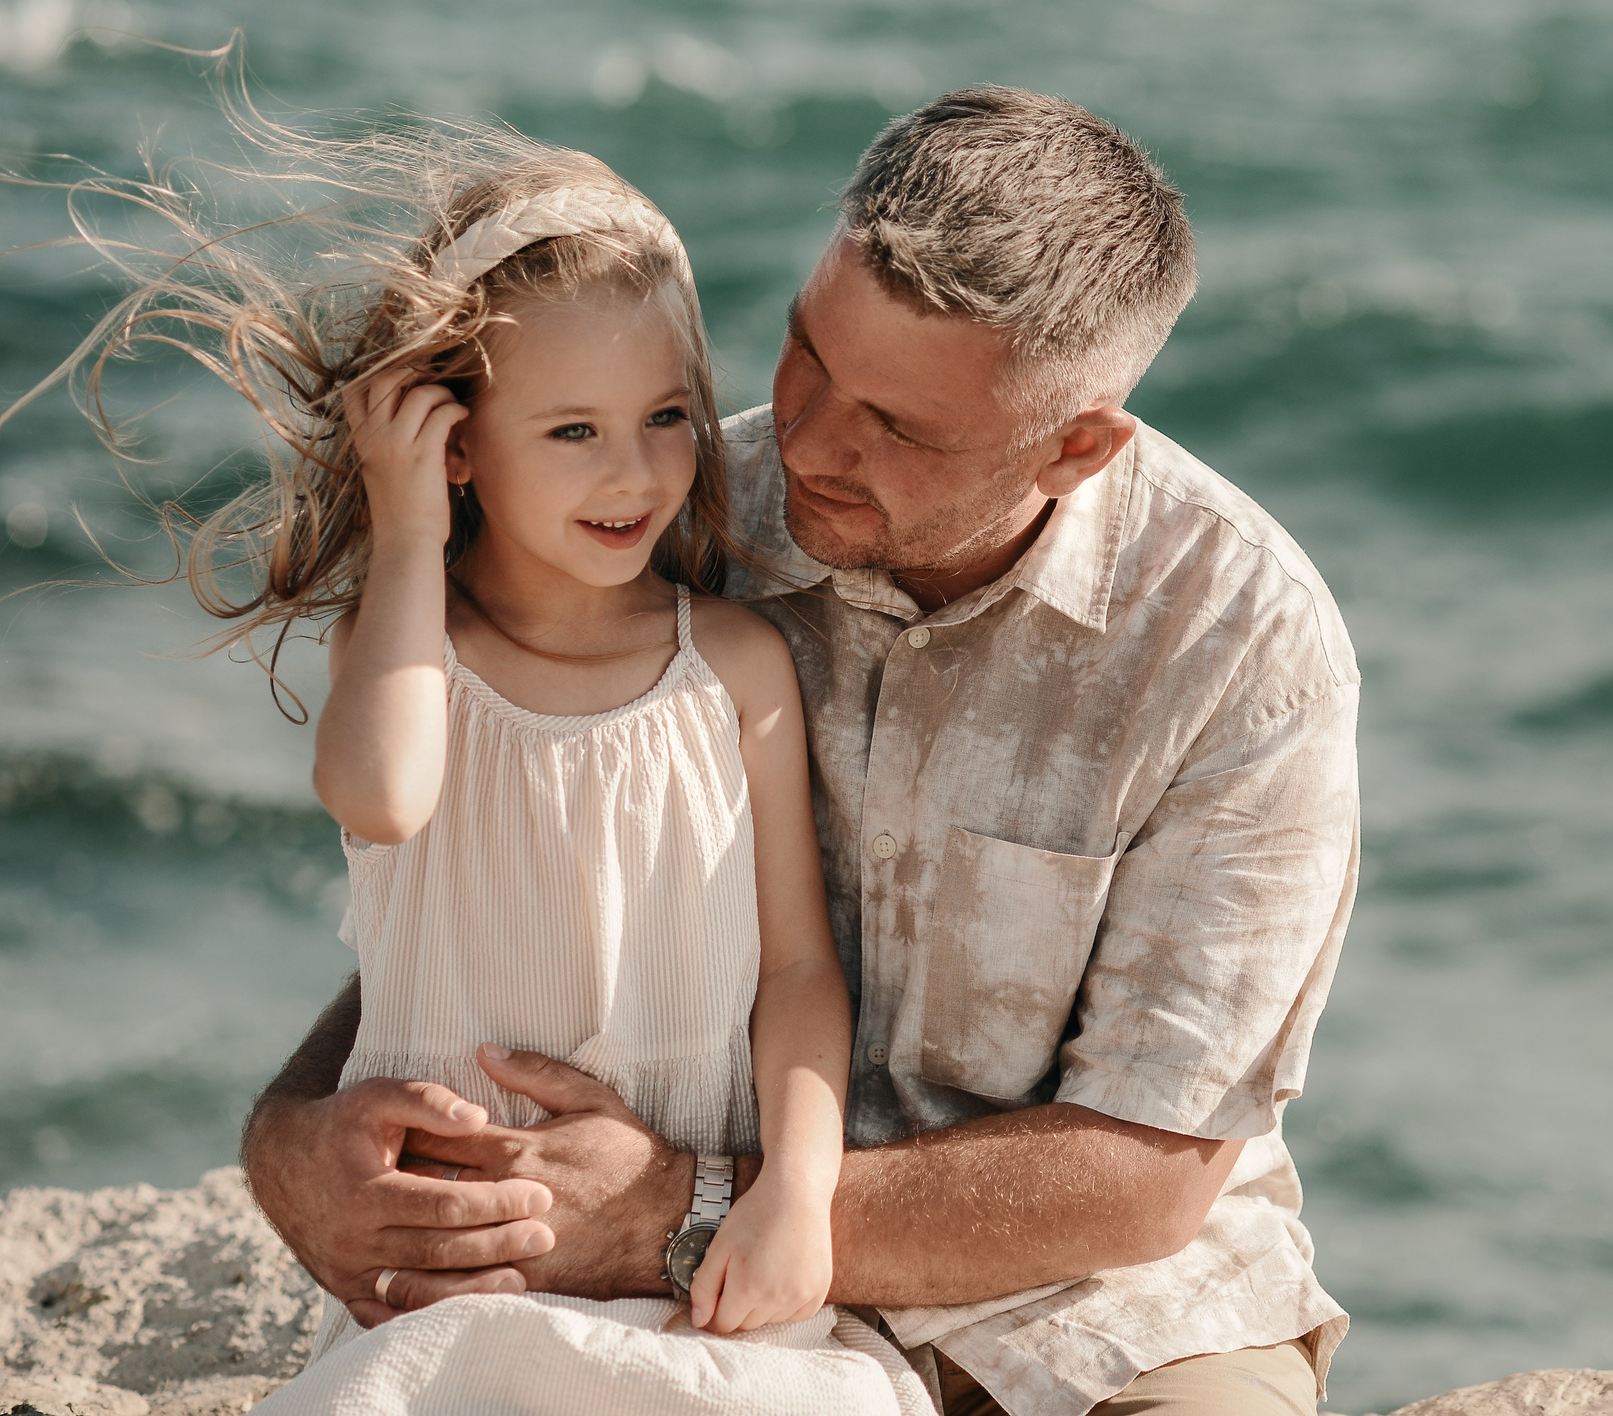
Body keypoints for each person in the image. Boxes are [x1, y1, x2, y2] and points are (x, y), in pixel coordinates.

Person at [240, 88, 1363, 1416]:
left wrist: (687, 1205)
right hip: (681, 1294)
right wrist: (292, 1137)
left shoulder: (1237, 646)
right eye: (807, 354)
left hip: (1094, 1308)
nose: (813, 442)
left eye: (899, 426)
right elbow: (499, 848)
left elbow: (1143, 1176)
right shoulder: (675, 513)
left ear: (1076, 445)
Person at [31, 133, 929, 1416]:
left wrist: (794, 1189)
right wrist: (403, 534)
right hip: (463, 1250)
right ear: (456, 442)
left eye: (665, 416)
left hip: (681, 1240)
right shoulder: (409, 655)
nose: (634, 473)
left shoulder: (733, 664)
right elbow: (381, 796)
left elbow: (795, 965)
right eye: (571, 429)